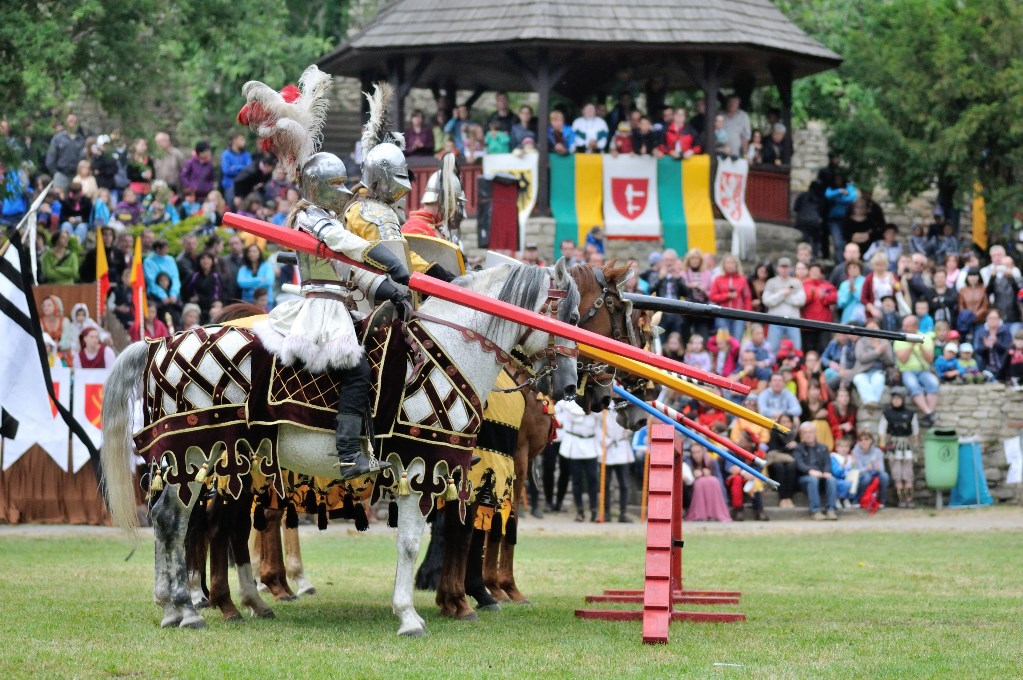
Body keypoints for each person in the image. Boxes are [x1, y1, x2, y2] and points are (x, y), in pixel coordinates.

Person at [238, 67, 411, 480]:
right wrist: (385, 258)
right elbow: (346, 246)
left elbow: (349, 270)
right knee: (358, 374)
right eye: (336, 184)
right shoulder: (310, 220)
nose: (343, 191)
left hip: (339, 305)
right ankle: (350, 454)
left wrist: (383, 285)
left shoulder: (322, 216)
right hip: (319, 312)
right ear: (317, 187)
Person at [556, 399, 601, 523]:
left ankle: (594, 510)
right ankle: (580, 511)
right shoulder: (567, 404)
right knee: (576, 481)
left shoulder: (595, 403)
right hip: (574, 444)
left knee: (593, 480)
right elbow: (562, 419)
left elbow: (600, 421)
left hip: (591, 444)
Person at [893, 315, 938, 426]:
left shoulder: (925, 338)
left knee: (933, 383)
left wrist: (920, 345)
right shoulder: (899, 338)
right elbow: (903, 359)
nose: (904, 328)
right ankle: (929, 413)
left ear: (915, 326)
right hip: (907, 370)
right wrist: (911, 345)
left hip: (923, 370)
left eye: (907, 326)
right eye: (904, 326)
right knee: (913, 385)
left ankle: (929, 415)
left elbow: (930, 359)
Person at [877, 387, 919, 508]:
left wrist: (915, 448)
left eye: (898, 398)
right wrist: (883, 447)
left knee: (908, 473)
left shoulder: (910, 414)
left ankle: (909, 499)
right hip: (893, 445)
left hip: (906, 444)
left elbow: (915, 432)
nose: (896, 401)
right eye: (894, 398)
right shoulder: (887, 414)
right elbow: (882, 431)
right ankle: (901, 499)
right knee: (897, 474)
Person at [794, 422, 839, 520]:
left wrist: (827, 472)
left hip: (822, 476)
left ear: (815, 433)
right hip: (805, 478)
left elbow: (828, 463)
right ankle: (815, 511)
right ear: (801, 435)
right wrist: (809, 471)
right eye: (805, 433)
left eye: (810, 432)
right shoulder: (798, 448)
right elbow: (799, 464)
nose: (808, 434)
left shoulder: (823, 448)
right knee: (812, 479)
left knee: (832, 480)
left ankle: (831, 509)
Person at [762, 257, 806, 351]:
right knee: (772, 349)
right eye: (782, 267)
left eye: (786, 267)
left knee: (796, 348)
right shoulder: (771, 282)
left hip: (793, 320)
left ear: (790, 268)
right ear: (778, 268)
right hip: (775, 320)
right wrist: (783, 294)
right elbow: (766, 300)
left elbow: (801, 300)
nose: (784, 269)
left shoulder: (796, 282)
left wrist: (785, 296)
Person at [850, 320, 895, 405]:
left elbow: (890, 361)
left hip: (878, 371)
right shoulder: (861, 341)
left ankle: (870, 404)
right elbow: (861, 358)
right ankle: (873, 403)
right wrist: (877, 352)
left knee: (878, 380)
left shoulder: (884, 341)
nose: (872, 330)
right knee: (859, 379)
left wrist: (883, 353)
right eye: (869, 328)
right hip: (862, 371)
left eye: (874, 327)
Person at [601, 410, 634, 523]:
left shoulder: (625, 408)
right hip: (606, 447)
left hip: (621, 447)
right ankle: (606, 512)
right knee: (605, 484)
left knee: (624, 484)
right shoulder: (603, 408)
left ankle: (623, 513)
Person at [684, 443, 731, 522]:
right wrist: (694, 475)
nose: (696, 455)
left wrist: (725, 500)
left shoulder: (712, 462)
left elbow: (720, 481)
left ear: (703, 451)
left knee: (713, 481)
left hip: (713, 491)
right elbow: (688, 480)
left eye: (698, 452)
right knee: (700, 482)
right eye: (693, 453)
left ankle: (714, 512)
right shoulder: (688, 461)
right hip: (690, 493)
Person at [45, 113, 86, 189]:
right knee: (58, 197)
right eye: (70, 121)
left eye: (74, 121)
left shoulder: (81, 140)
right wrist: (55, 172)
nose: (72, 124)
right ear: (66, 123)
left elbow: (83, 158)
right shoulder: (58, 138)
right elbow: (50, 157)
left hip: (76, 176)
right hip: (61, 174)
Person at [824, 175, 858, 262]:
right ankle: (839, 263)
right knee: (838, 242)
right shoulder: (832, 188)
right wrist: (840, 191)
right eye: (836, 179)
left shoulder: (848, 187)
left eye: (839, 179)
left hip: (846, 220)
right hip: (834, 220)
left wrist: (838, 198)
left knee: (845, 242)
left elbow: (852, 197)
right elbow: (828, 195)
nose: (837, 181)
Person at [972, 309, 1012, 375]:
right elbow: (977, 350)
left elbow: (1008, 349)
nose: (992, 320)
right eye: (990, 318)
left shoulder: (1005, 331)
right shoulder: (980, 331)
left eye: (995, 318)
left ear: (999, 319)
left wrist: (996, 343)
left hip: (1001, 364)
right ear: (986, 319)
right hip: (986, 365)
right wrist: (985, 347)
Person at [143, 238, 181, 307]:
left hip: (172, 294)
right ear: (157, 249)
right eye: (165, 248)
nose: (167, 250)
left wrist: (173, 293)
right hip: (156, 295)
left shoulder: (170, 259)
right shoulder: (148, 261)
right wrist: (162, 296)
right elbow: (151, 281)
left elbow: (175, 277)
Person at [221, 133, 251, 201]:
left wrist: (235, 167)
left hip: (244, 186)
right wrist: (243, 169)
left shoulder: (246, 155)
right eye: (241, 139)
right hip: (230, 186)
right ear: (234, 141)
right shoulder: (226, 154)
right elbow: (226, 170)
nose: (244, 142)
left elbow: (249, 170)